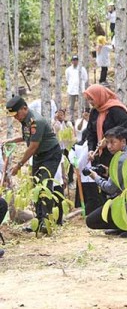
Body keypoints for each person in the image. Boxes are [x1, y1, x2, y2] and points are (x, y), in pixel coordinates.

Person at [2, 96, 64, 234]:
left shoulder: (36, 121)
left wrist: (19, 165)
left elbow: (33, 146)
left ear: (24, 108)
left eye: (16, 114)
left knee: (44, 185)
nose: (15, 117)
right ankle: (39, 220)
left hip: (50, 154)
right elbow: (27, 137)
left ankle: (47, 223)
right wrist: (13, 139)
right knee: (36, 187)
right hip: (39, 156)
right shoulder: (25, 120)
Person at [85, 126, 127, 236]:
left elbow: (110, 189)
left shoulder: (120, 159)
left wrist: (95, 177)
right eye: (107, 143)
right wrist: (109, 173)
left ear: (123, 142)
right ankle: (124, 225)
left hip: (126, 205)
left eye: (113, 142)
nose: (109, 146)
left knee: (90, 221)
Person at [83, 84, 127, 169]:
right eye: (88, 100)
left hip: (120, 153)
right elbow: (90, 132)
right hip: (102, 154)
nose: (90, 102)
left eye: (92, 99)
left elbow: (124, 128)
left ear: (99, 96)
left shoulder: (116, 110)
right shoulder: (95, 112)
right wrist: (91, 149)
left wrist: (107, 140)